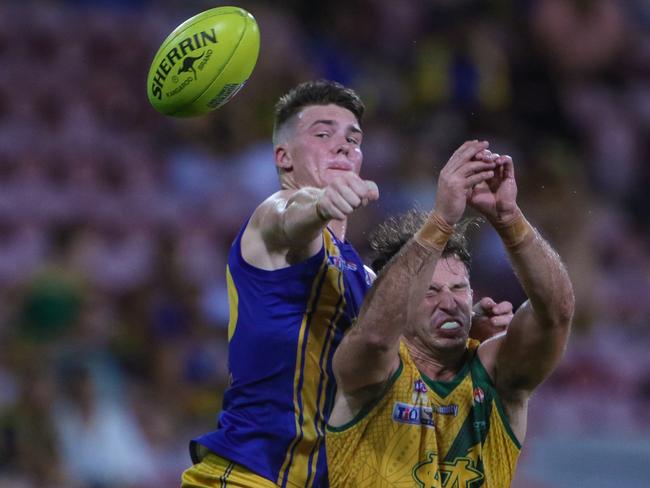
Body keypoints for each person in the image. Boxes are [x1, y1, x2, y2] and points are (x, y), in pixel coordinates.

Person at [181, 82, 512, 488]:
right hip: (246, 478)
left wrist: (460, 326)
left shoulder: (365, 277)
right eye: (323, 134)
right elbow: (289, 215)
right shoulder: (269, 224)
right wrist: (320, 203)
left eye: (352, 140)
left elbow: (396, 357)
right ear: (283, 157)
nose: (342, 146)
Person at [326, 140, 575, 487]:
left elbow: (556, 313)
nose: (450, 302)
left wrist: (509, 221)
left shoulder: (495, 373)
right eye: (430, 292)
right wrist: (442, 221)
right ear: (399, 303)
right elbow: (373, 334)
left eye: (459, 289)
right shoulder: (370, 371)